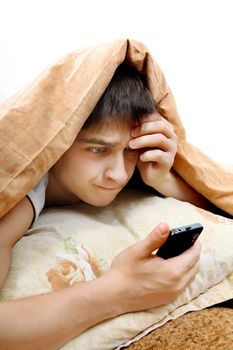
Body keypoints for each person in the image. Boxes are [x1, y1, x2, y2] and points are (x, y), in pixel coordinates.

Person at [0, 63, 206, 349]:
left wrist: (161, 179)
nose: (119, 174)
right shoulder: (21, 194)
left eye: (130, 151)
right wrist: (120, 290)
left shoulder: (129, 167)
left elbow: (216, 200)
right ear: (56, 142)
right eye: (98, 150)